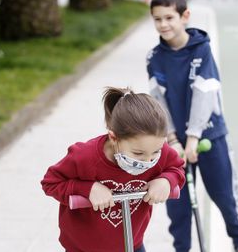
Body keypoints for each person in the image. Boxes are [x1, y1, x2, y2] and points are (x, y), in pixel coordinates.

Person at [146, 0, 238, 252]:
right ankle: (182, 249)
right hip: (174, 146)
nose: (163, 24)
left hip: (209, 138)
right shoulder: (154, 58)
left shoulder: (202, 51)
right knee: (178, 207)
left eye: (169, 17)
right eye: (157, 19)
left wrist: (192, 138)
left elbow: (204, 96)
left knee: (225, 197)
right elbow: (159, 102)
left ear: (185, 16)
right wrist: (172, 139)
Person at [41, 87, 185, 252]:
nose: (148, 161)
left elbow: (177, 167)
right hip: (83, 248)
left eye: (155, 152)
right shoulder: (85, 156)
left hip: (132, 244)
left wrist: (166, 180)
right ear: (114, 137)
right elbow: (50, 182)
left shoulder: (157, 150)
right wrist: (87, 189)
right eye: (138, 153)